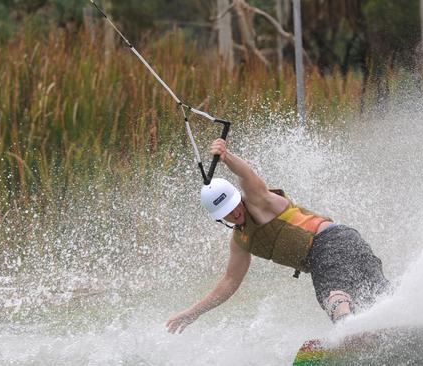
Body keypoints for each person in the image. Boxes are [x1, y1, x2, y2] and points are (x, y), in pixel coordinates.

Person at [165, 139, 390, 334]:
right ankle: (386, 327)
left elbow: (246, 174)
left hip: (327, 243)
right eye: (227, 214)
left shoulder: (258, 201)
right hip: (343, 241)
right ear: (219, 218)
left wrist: (227, 156)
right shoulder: (240, 243)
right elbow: (229, 282)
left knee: (333, 295)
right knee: (377, 297)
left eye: (234, 206)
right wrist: (194, 312)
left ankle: (348, 334)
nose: (235, 214)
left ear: (239, 198)